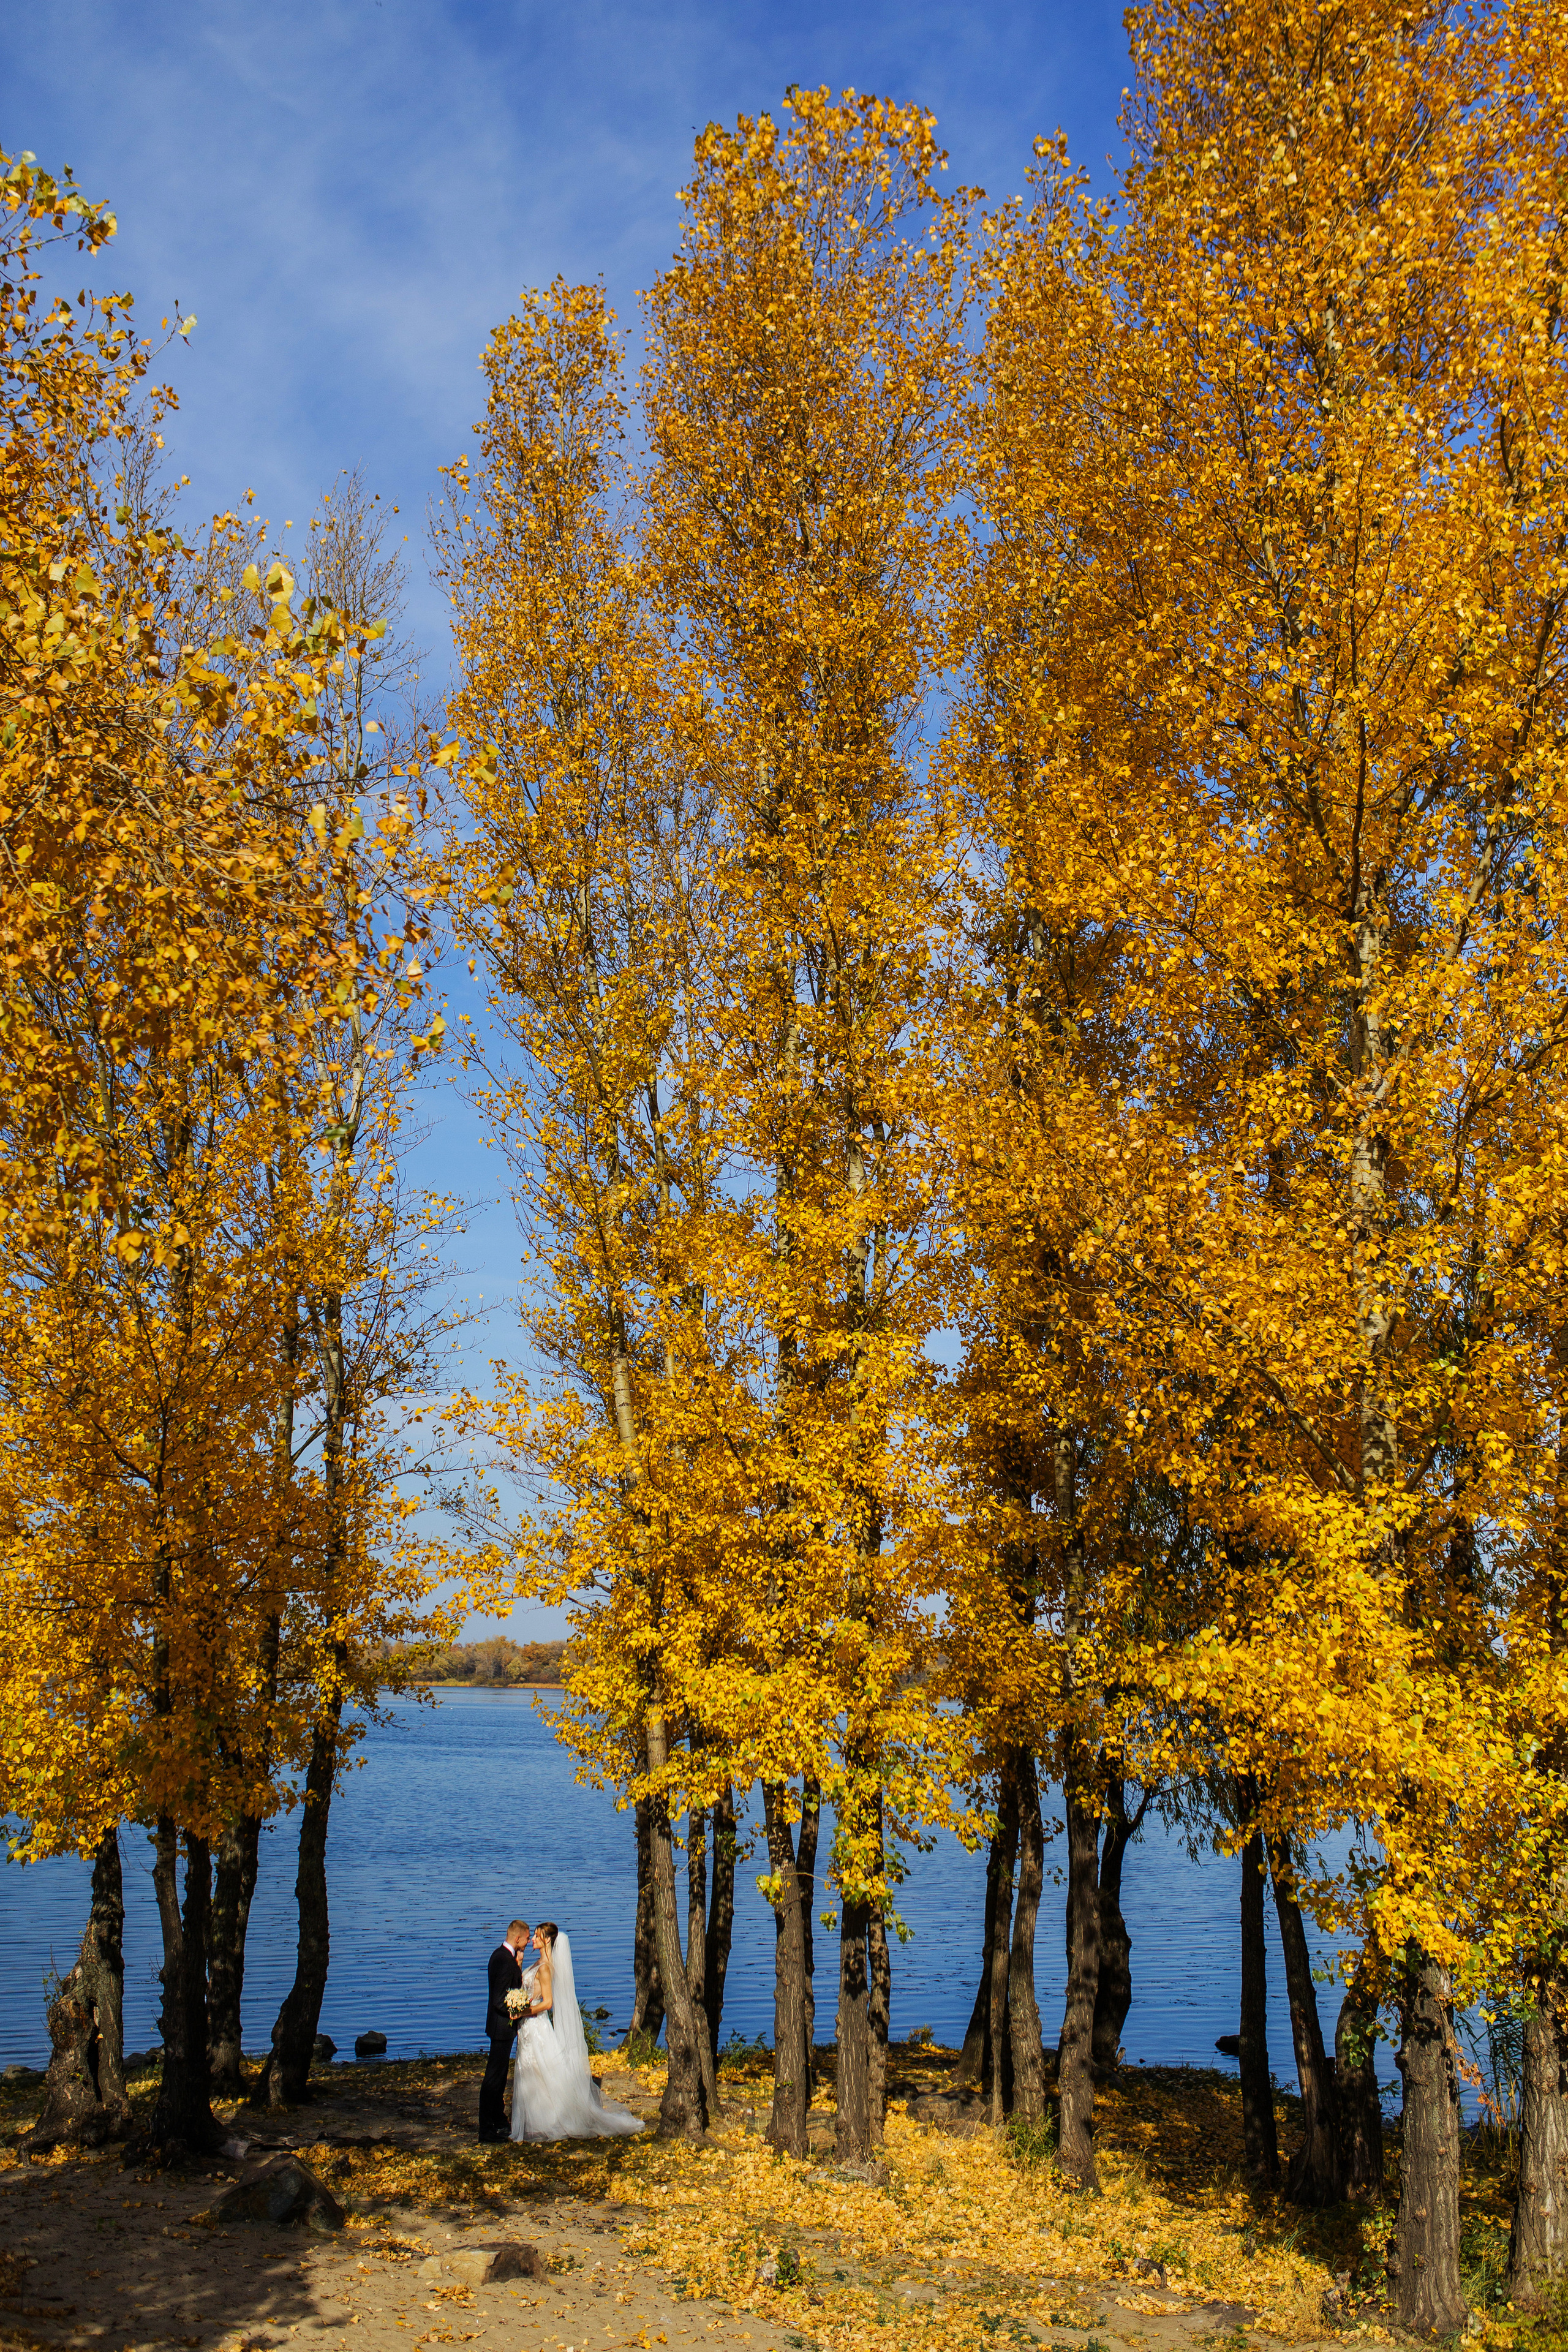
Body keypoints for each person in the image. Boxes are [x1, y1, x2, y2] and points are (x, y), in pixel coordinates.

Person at [510, 1922, 647, 2141]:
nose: (532, 1939)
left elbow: (548, 2003)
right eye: (533, 1936)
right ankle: (537, 2118)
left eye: (536, 1936)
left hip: (537, 2025)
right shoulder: (537, 1963)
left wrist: (524, 2011)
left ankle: (549, 2120)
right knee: (530, 2070)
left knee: (539, 2069)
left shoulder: (545, 1968)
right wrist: (518, 1966)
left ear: (547, 1940)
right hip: (527, 2027)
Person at [478, 1918, 533, 2143]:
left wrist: (519, 1966)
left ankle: (498, 2118)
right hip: (501, 2026)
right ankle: (486, 2129)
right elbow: (500, 1999)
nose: (528, 1943)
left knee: (500, 2077)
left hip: (503, 2028)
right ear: (517, 1937)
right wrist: (519, 2010)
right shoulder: (502, 1960)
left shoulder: (505, 1957)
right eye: (527, 1939)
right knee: (494, 2077)